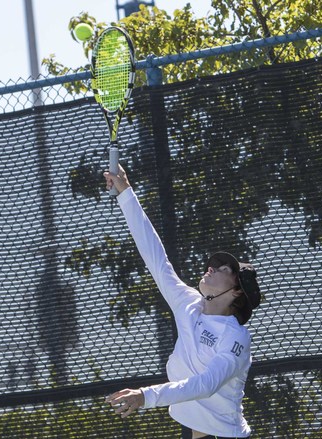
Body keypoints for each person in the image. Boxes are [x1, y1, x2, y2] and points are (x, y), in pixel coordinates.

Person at [103, 165, 262, 439]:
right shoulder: (187, 303)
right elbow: (155, 257)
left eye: (225, 270)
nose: (212, 268)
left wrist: (146, 396)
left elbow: (206, 384)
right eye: (215, 264)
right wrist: (126, 192)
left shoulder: (236, 338)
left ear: (236, 293)